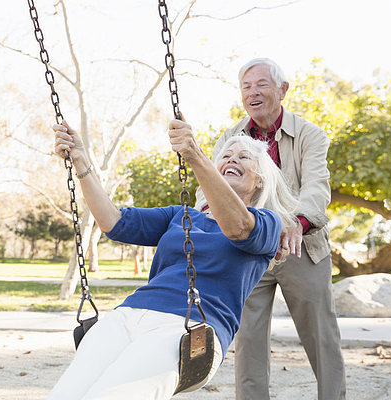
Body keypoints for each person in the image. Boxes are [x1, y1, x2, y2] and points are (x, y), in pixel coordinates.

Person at [48, 116, 299, 400]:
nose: (233, 159)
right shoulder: (181, 216)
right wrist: (80, 159)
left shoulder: (267, 223)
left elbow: (238, 228)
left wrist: (195, 156)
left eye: (244, 156)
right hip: (127, 315)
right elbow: (113, 222)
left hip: (186, 329)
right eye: (226, 155)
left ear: (260, 179)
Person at [193, 58, 346, 400]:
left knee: (321, 337)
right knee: (247, 339)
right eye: (246, 87)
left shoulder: (310, 134)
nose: (253, 93)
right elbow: (211, 186)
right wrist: (208, 214)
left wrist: (296, 223)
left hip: (300, 246)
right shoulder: (231, 137)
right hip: (248, 247)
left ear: (282, 90)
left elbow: (317, 187)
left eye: (261, 84)